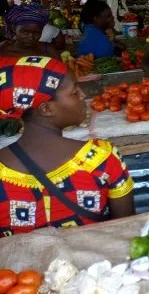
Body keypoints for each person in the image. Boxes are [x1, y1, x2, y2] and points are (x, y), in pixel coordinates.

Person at [0, 55, 134, 235]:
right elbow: (126, 229)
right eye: (74, 92)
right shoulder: (101, 158)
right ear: (46, 109)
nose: (83, 95)